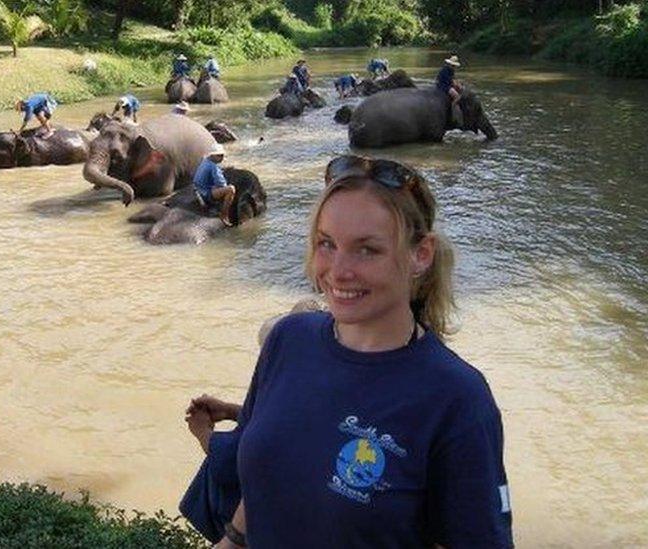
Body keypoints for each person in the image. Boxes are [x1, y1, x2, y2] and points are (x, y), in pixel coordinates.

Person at [187, 154, 513, 549]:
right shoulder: (287, 341)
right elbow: (263, 477)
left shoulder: (457, 399)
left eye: (367, 250)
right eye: (327, 243)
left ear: (420, 255)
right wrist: (233, 540)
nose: (338, 271)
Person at [192, 143, 236, 227]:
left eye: (222, 155)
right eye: (219, 156)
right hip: (205, 193)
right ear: (213, 156)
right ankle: (224, 214)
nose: (222, 158)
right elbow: (221, 183)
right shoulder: (213, 167)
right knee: (231, 189)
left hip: (198, 189)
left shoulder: (205, 161)